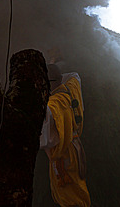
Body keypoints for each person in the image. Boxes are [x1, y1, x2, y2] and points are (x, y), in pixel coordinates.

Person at [40, 64, 91, 207]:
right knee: (78, 189)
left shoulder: (54, 105)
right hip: (76, 148)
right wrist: (52, 67)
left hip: (64, 156)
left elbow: (45, 140)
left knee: (70, 197)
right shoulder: (72, 88)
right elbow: (73, 75)